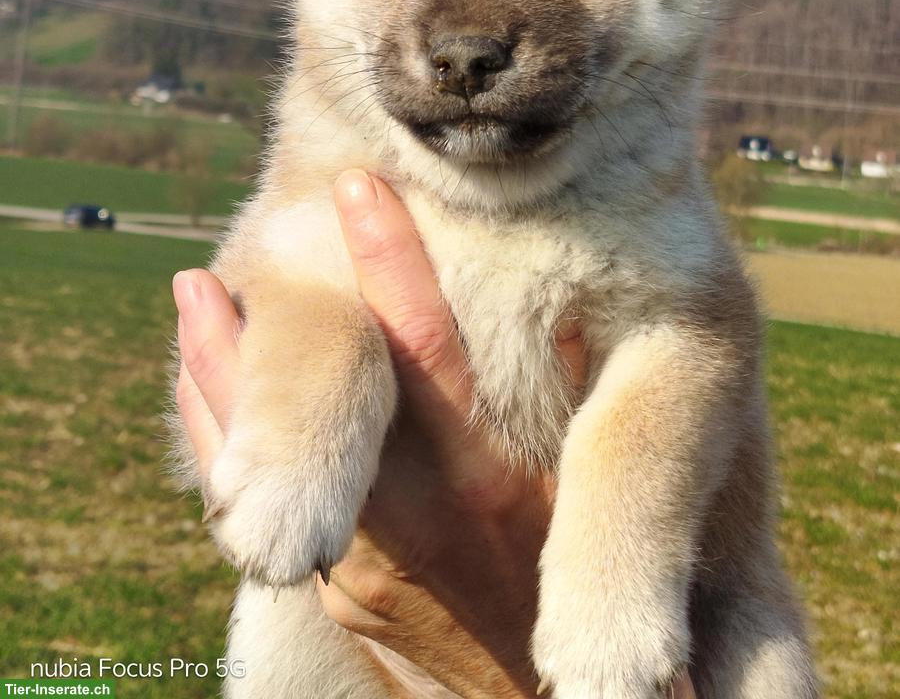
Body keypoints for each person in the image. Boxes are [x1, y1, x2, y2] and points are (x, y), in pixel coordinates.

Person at [174, 169, 696, 699]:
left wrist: (612, 549)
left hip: (704, 641)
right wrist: (313, 402)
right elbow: (274, 277)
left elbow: (688, 333)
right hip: (331, 650)